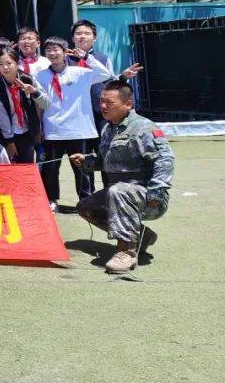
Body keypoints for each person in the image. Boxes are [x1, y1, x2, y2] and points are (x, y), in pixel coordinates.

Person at [72, 80, 174, 274]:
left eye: (109, 103)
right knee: (86, 207)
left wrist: (157, 191)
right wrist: (87, 161)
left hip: (148, 196)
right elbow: (105, 160)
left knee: (119, 191)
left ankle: (126, 251)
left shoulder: (143, 127)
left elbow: (164, 159)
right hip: (119, 194)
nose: (103, 106)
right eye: (101, 102)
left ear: (128, 104)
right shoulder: (108, 128)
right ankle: (142, 236)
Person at [37, 36, 134, 211]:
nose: (52, 53)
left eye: (56, 49)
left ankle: (86, 200)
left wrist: (87, 57)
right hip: (53, 130)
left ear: (65, 52)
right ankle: (52, 200)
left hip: (78, 130)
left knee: (82, 169)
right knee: (51, 169)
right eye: (48, 50)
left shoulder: (80, 73)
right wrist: (40, 127)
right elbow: (39, 103)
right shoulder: (40, 76)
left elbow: (105, 74)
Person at [0, 47, 47, 164]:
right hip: (6, 134)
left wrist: (34, 92)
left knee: (27, 166)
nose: (5, 67)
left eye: (9, 63)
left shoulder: (28, 79)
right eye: (1, 64)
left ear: (17, 63)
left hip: (27, 131)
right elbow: (1, 115)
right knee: (8, 168)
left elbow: (46, 103)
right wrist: (10, 141)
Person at [68, 19, 118, 137]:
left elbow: (111, 83)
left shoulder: (103, 58)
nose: (82, 36)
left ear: (94, 38)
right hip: (74, 111)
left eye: (87, 33)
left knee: (102, 143)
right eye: (78, 33)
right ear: (73, 38)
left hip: (99, 110)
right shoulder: (66, 59)